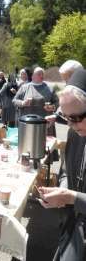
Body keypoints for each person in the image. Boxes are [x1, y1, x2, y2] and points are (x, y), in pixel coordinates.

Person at [38, 69, 86, 261]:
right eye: (66, 117)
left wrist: (72, 197)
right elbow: (67, 171)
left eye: (76, 118)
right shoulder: (74, 133)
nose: (71, 125)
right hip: (72, 227)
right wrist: (62, 192)